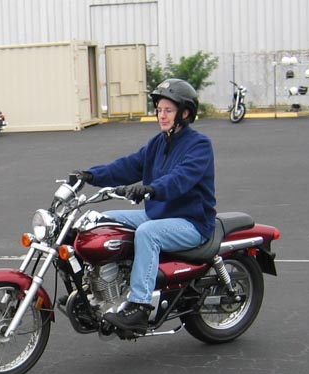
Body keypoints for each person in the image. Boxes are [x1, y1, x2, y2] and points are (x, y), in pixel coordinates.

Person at [76, 78, 216, 333]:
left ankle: (139, 307)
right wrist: (91, 175)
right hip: (160, 215)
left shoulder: (199, 145)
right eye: (160, 110)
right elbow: (127, 166)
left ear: (185, 113)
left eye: (168, 110)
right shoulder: (157, 143)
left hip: (192, 222)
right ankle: (93, 290)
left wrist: (152, 189)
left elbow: (181, 178)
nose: (162, 115)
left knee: (147, 233)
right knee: (100, 220)